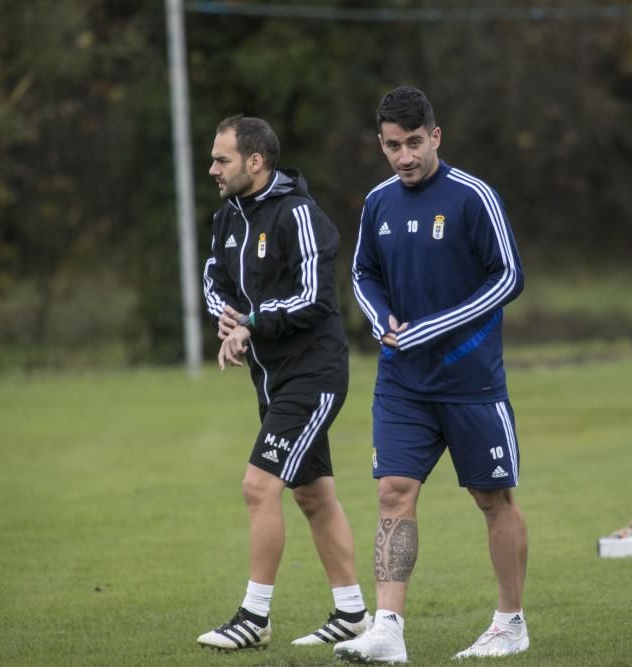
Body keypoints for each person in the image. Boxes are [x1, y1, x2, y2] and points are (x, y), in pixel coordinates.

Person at [334, 87, 529, 663]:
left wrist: (437, 326)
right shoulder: (378, 203)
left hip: (471, 382)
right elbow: (363, 273)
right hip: (402, 382)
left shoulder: (474, 197)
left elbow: (509, 277)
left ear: (435, 136)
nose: (404, 157)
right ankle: (388, 628)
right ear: (381, 144)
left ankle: (510, 623)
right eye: (393, 146)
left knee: (493, 499)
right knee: (393, 493)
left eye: (414, 143)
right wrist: (380, 320)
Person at [197, 114, 370, 651]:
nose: (212, 169)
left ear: (256, 161)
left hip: (313, 375)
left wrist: (252, 323)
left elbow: (316, 297)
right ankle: (352, 615)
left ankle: (255, 618)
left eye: (222, 159)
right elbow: (213, 279)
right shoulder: (229, 217)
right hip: (270, 380)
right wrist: (227, 319)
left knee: (258, 486)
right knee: (313, 495)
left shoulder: (300, 215)